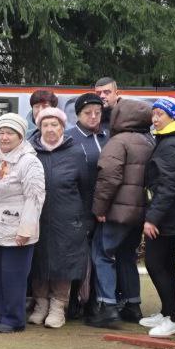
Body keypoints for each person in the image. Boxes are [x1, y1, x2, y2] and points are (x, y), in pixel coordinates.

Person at [86, 97, 154, 328]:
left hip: (116, 212)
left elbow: (108, 178)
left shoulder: (117, 142)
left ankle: (107, 307)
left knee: (102, 255)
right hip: (138, 212)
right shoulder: (149, 141)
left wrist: (99, 209)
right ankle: (133, 305)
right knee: (127, 256)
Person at [0, 113, 46, 333]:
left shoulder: (29, 161)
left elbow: (35, 197)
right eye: (1, 133)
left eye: (10, 133)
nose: (5, 137)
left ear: (20, 136)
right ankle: (1, 313)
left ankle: (14, 318)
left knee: (13, 277)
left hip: (16, 230)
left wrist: (26, 229)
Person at [139, 97, 175, 338]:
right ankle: (166, 311)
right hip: (169, 214)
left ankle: (171, 319)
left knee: (156, 263)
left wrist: (152, 218)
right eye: (154, 114)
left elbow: (168, 186)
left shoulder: (173, 144)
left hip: (167, 217)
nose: (155, 119)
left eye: (160, 114)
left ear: (173, 117)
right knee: (164, 264)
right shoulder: (172, 139)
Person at [28, 108, 90, 328]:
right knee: (38, 260)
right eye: (45, 125)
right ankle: (40, 304)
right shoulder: (30, 151)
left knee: (63, 262)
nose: (50, 129)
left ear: (63, 128)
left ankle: (57, 307)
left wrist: (83, 219)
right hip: (36, 217)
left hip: (67, 218)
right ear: (39, 128)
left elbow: (86, 188)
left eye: (55, 125)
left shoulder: (75, 152)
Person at [66, 92, 109, 317]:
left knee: (99, 256)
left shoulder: (107, 136)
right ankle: (73, 299)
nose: (93, 117)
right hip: (78, 206)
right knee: (78, 256)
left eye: (97, 112)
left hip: (103, 208)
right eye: (87, 113)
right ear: (78, 115)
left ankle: (95, 301)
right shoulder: (70, 137)